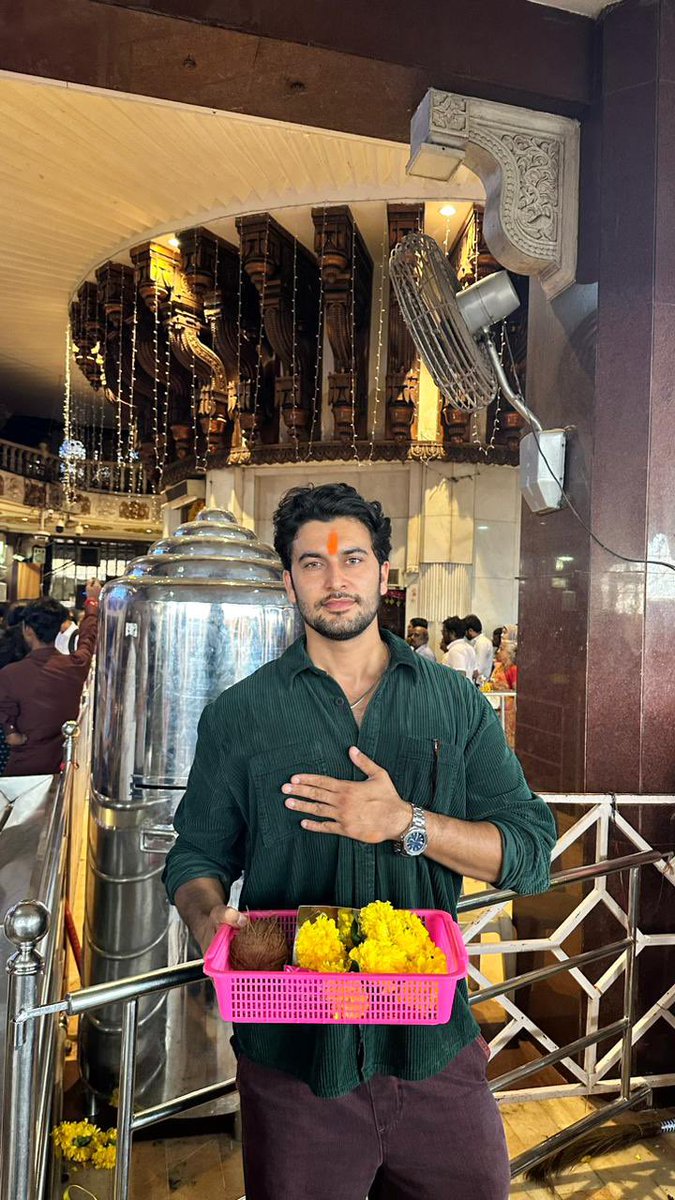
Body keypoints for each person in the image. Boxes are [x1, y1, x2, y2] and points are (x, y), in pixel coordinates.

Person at [164, 482, 556, 1200]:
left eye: (352, 559)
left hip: (432, 1050)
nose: (335, 578)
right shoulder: (240, 715)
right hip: (293, 1061)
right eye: (312, 563)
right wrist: (204, 919)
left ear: (383, 573)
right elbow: (196, 856)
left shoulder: (455, 703)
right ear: (288, 582)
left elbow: (530, 853)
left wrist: (407, 822)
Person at [0, 581, 101, 775]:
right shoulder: (75, 665)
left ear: (28, 630)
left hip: (22, 769)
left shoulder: (11, 675)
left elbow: (10, 731)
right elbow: (87, 639)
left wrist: (12, 731)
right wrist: (92, 603)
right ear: (58, 629)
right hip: (62, 765)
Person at [463, 614, 494, 682]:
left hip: (480, 684)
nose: (464, 635)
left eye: (465, 631)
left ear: (470, 630)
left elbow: (479, 669)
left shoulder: (482, 643)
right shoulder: (477, 642)